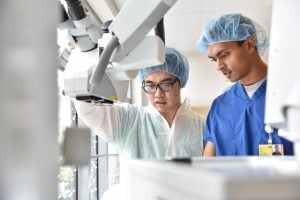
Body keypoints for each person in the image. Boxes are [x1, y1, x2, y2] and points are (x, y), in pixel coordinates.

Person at [74, 47, 205, 199]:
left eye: (166, 84)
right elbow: (87, 109)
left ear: (180, 82)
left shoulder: (202, 126)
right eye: (150, 85)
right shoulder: (128, 118)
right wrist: (87, 58)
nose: (158, 93)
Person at [196, 13, 294, 156]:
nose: (219, 66)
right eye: (214, 59)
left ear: (249, 45)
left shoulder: (290, 93)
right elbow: (208, 161)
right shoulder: (220, 106)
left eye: (224, 55)